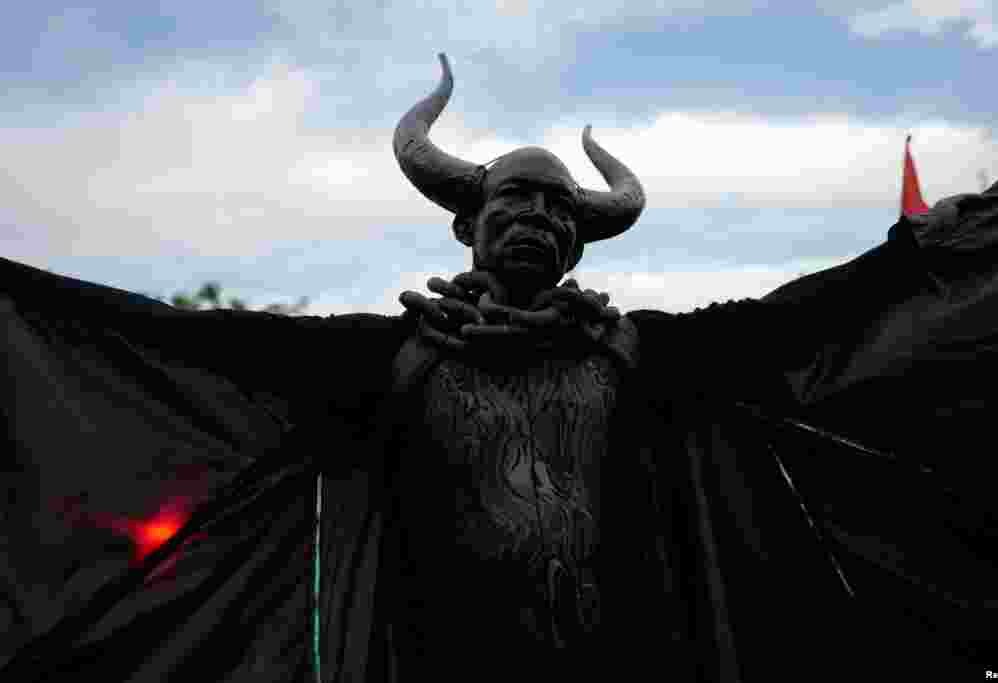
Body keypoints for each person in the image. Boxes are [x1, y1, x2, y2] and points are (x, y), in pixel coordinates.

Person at [0, 54, 883, 681]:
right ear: (467, 225)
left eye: (559, 206)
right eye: (515, 199)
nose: (538, 216)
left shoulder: (636, 349)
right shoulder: (391, 353)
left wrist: (919, 254)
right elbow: (205, 346)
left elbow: (792, 325)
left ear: (579, 241)